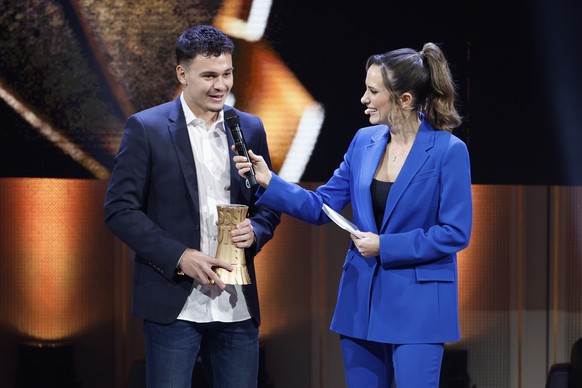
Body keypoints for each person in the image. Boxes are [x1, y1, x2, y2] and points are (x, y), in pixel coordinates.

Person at [234, 43, 472, 388]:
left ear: (404, 99)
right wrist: (269, 180)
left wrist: (384, 245)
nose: (364, 98)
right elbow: (321, 206)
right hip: (362, 302)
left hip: (419, 308)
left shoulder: (448, 151)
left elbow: (454, 232)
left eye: (373, 91)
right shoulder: (364, 141)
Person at [104, 25, 281, 388]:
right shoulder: (147, 128)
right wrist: (180, 256)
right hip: (174, 304)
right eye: (209, 76)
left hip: (236, 304)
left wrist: (258, 229)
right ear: (182, 74)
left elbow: (268, 203)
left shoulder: (248, 127)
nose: (221, 85)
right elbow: (120, 209)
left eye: (227, 74)